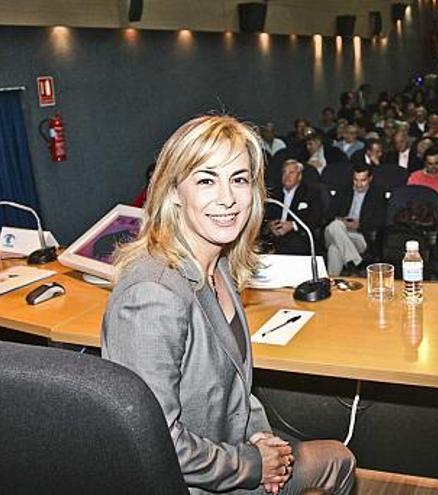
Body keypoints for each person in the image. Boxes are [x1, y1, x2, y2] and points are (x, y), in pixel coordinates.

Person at [102, 115, 355, 495]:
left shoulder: (218, 265)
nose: (227, 198)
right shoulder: (151, 295)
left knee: (335, 458)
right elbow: (154, 441)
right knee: (339, 461)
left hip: (233, 447)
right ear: (172, 191)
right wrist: (254, 465)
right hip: (193, 481)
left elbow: (236, 388)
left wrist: (261, 439)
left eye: (238, 179)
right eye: (206, 180)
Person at [323, 163, 386, 276]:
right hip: (335, 231)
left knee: (334, 249)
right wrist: (342, 221)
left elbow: (380, 220)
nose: (359, 184)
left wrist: (360, 225)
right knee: (335, 225)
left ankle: (332, 282)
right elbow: (328, 214)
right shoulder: (344, 190)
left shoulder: (376, 194)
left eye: (363, 180)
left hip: (359, 236)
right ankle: (355, 262)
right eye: (356, 180)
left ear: (370, 179)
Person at [264, 160, 325, 256]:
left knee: (293, 243)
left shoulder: (310, 193)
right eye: (284, 172)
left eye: (291, 172)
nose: (287, 176)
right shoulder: (273, 193)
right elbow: (263, 216)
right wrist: (269, 225)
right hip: (273, 235)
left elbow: (315, 218)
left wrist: (293, 225)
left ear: (299, 176)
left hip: (298, 235)